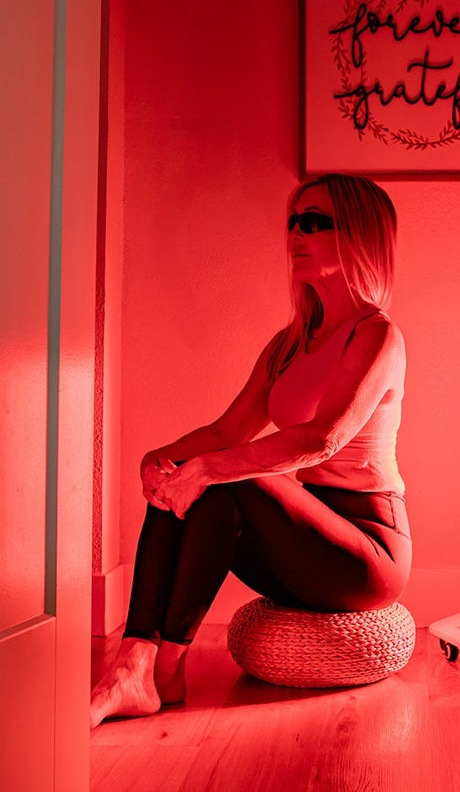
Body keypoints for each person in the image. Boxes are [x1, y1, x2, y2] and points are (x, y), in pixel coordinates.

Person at [90, 174, 410, 727]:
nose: (297, 233)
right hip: (300, 541)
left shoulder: (376, 334)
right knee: (189, 478)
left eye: (315, 222)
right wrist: (158, 458)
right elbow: (226, 431)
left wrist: (209, 469)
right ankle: (142, 666)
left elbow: (322, 439)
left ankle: (157, 664)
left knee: (222, 478)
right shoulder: (288, 343)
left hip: (366, 551)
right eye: (293, 220)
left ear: (358, 235)